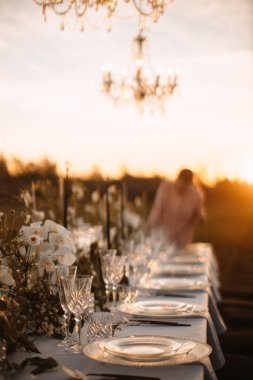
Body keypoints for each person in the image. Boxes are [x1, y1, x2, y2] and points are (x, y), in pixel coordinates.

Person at [147, 169, 206, 248]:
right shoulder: (165, 187)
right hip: (162, 237)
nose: (182, 187)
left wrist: (200, 219)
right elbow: (157, 209)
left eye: (186, 185)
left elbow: (200, 216)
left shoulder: (195, 195)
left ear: (190, 184)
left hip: (182, 240)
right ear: (177, 179)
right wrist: (150, 226)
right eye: (181, 182)